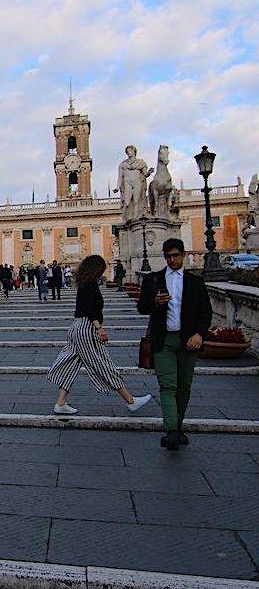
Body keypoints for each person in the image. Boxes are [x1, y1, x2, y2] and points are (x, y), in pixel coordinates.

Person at [48, 255, 153, 415]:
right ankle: (130, 401)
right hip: (87, 328)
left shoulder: (84, 283)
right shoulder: (90, 285)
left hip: (77, 327)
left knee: (71, 364)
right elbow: (91, 308)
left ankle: (61, 403)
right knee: (102, 363)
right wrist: (99, 328)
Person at [137, 239, 212, 450]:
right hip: (164, 340)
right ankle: (171, 430)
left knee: (184, 386)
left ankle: (178, 426)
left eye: (175, 256)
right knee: (167, 386)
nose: (172, 260)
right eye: (168, 256)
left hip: (189, 340)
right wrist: (155, 303)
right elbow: (142, 307)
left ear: (183, 255)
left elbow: (205, 312)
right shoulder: (153, 280)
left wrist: (200, 334)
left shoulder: (195, 282)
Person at [115, 144, 154, 221]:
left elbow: (145, 174)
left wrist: (149, 172)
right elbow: (120, 177)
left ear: (134, 152)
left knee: (136, 201)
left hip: (137, 182)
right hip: (127, 183)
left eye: (130, 151)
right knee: (127, 202)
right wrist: (117, 187)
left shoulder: (141, 163)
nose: (129, 152)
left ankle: (135, 219)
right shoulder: (123, 164)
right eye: (127, 151)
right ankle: (127, 219)